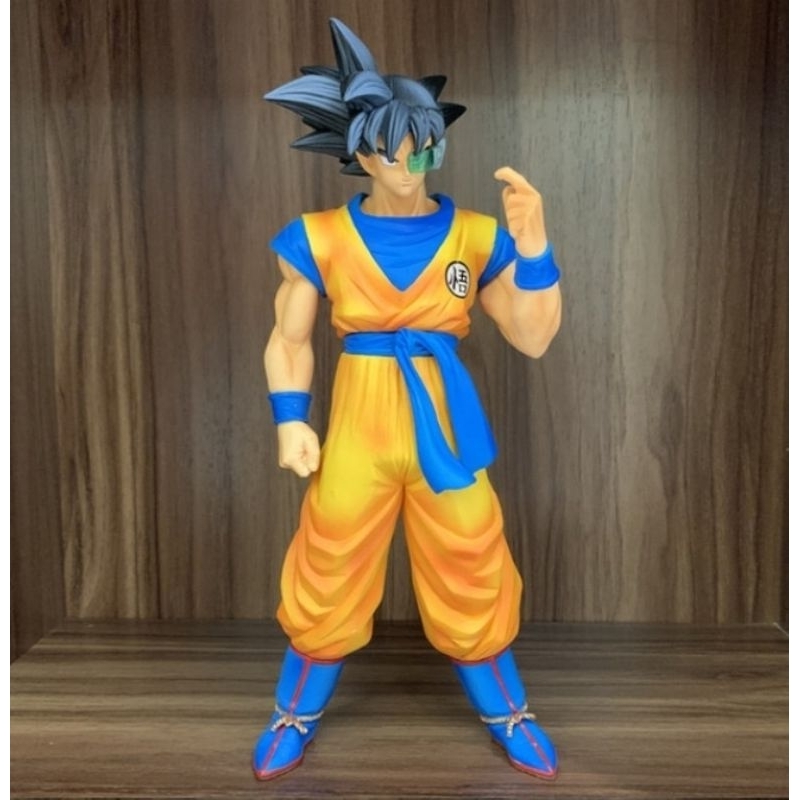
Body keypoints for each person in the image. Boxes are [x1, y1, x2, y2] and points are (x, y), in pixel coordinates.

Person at [254, 17, 563, 782]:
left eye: (424, 146)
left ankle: (508, 711)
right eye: (393, 149)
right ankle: (293, 714)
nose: (409, 163)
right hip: (359, 425)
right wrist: (291, 420)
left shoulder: (476, 236)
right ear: (361, 153)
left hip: (443, 426)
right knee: (330, 557)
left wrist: (533, 247)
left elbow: (532, 335)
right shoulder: (320, 236)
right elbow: (289, 339)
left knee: (472, 552)